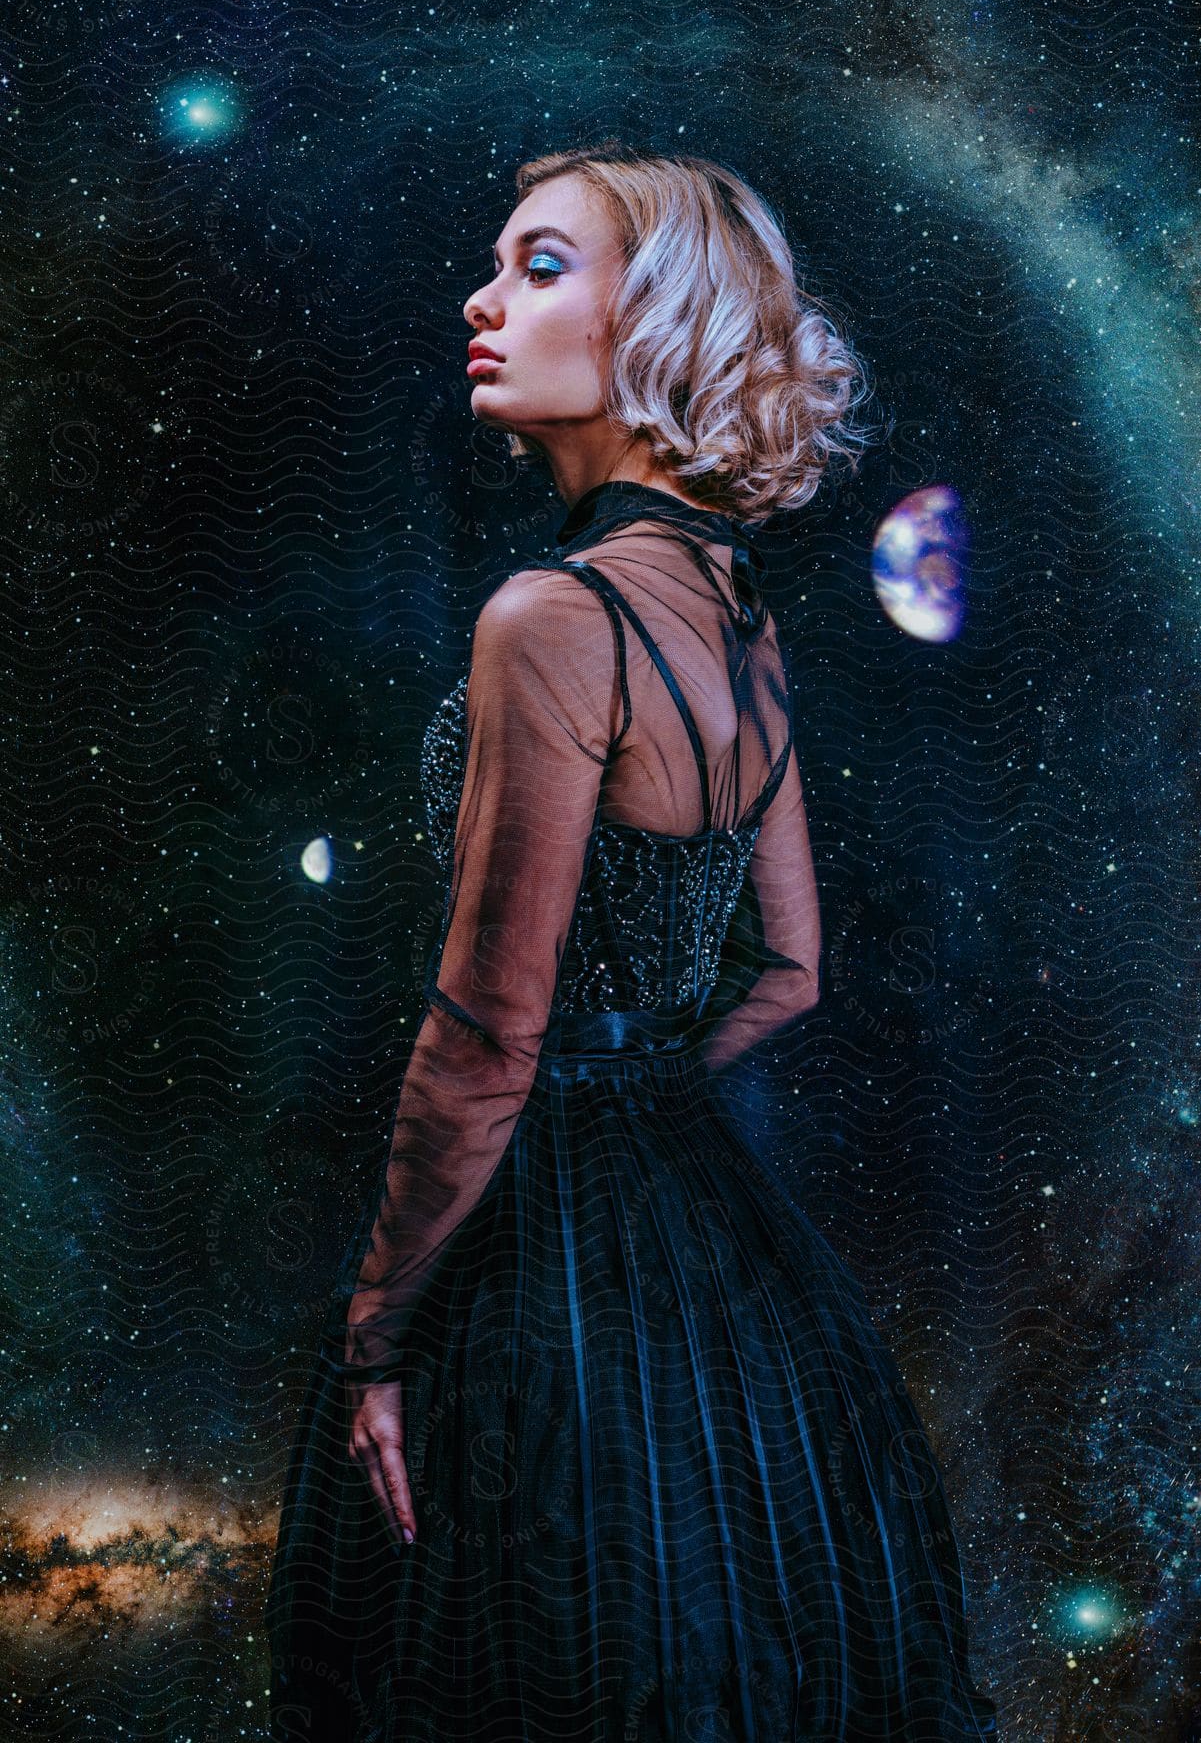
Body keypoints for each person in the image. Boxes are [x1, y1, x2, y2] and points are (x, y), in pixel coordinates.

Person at [266, 140, 999, 1740]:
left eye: (541, 266)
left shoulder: (553, 617)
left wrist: (378, 1334)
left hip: (535, 1257)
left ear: (653, 325)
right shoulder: (742, 620)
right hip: (713, 1233)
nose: (482, 296)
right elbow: (788, 967)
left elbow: (486, 1028)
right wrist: (645, 1091)